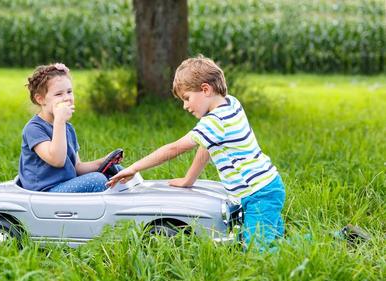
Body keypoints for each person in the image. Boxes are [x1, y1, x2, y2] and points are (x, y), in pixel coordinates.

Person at [107, 55, 284, 250]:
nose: (185, 106)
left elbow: (174, 148)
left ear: (205, 89)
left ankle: (294, 267)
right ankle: (296, 252)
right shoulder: (230, 104)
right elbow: (207, 146)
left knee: (257, 251)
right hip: (264, 187)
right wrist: (188, 180)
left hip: (259, 194)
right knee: (274, 241)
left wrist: (133, 168)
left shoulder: (215, 121)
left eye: (187, 98)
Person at [19, 63, 118, 193]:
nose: (67, 98)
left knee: (118, 172)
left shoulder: (67, 128)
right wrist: (59, 120)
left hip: (67, 184)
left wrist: (103, 162)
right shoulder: (34, 129)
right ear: (41, 99)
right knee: (97, 180)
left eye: (69, 92)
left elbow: (76, 167)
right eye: (59, 94)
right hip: (45, 192)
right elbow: (57, 160)